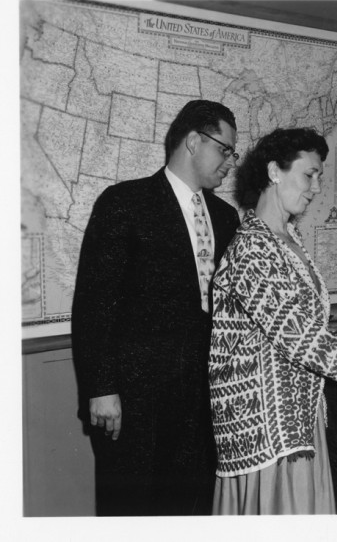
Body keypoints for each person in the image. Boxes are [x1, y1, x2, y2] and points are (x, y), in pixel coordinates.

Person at [209, 127, 337, 515]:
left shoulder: (287, 237)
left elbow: (298, 324)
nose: (317, 186)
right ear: (275, 171)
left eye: (320, 176)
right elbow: (296, 338)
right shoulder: (252, 246)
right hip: (266, 432)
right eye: (310, 174)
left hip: (296, 419)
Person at [72, 100, 241, 516]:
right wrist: (101, 387)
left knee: (189, 511)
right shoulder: (124, 203)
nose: (230, 163)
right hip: (133, 404)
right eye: (225, 150)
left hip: (201, 406)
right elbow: (94, 304)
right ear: (193, 140)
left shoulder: (225, 217)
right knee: (130, 511)